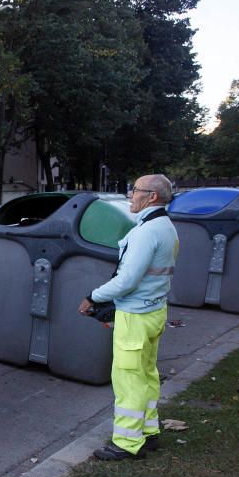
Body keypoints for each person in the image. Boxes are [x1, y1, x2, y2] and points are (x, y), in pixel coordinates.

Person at [79, 174, 179, 461]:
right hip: (154, 311)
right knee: (147, 375)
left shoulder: (147, 232)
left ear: (152, 197)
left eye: (135, 190)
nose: (130, 195)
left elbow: (126, 280)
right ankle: (148, 433)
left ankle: (125, 442)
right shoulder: (165, 226)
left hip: (135, 315)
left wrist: (92, 296)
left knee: (128, 379)